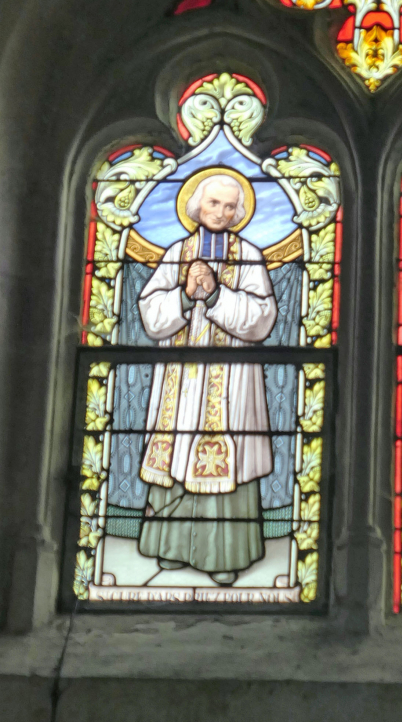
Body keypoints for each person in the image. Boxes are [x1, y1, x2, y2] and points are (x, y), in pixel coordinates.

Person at [137, 171, 277, 585]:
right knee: (178, 455)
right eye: (214, 203)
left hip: (230, 381)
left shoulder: (250, 255)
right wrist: (183, 293)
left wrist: (216, 295)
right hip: (179, 381)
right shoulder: (176, 253)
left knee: (224, 459)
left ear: (240, 212)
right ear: (196, 206)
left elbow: (262, 319)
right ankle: (172, 547)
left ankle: (223, 556)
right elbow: (150, 313)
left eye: (231, 206)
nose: (221, 212)